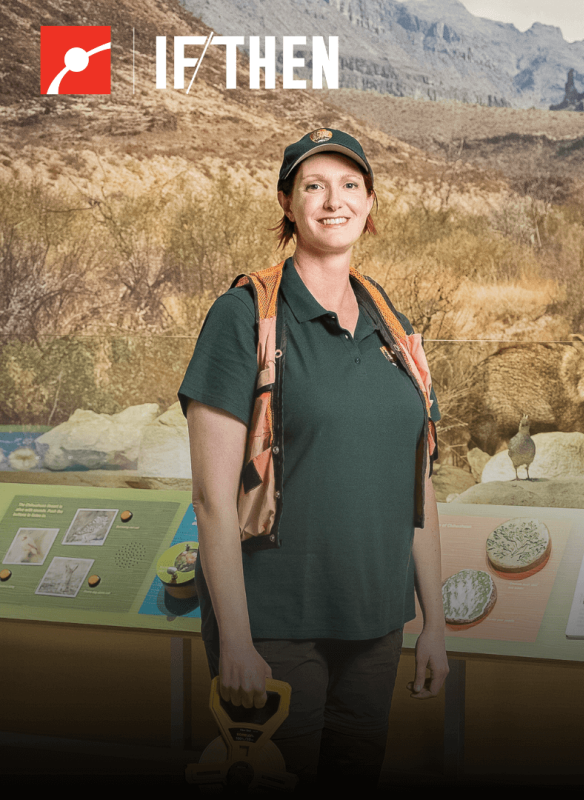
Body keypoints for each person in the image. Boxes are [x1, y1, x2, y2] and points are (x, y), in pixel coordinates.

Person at [178, 128, 448, 789]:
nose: (335, 201)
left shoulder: (391, 320)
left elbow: (418, 484)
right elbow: (213, 499)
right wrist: (236, 641)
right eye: (314, 186)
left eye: (350, 185)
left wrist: (434, 623)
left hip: (376, 623)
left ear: (370, 202)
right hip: (275, 627)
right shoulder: (244, 316)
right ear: (287, 203)